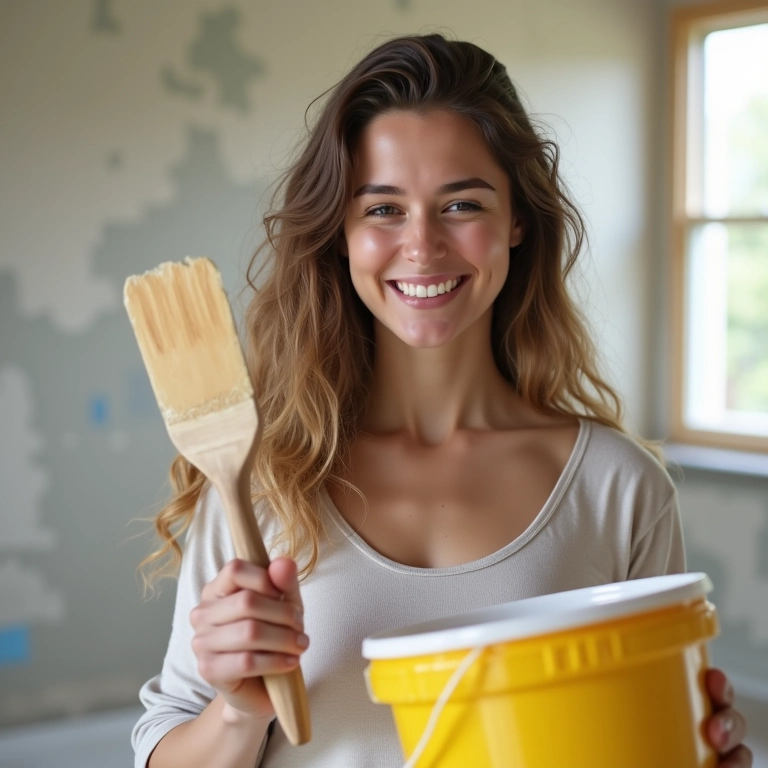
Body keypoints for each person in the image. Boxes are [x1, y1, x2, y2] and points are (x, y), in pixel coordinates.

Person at [132, 33, 752, 768]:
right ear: (341, 232)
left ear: (518, 220)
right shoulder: (259, 481)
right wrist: (236, 713)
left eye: (461, 203)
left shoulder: (617, 488)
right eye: (384, 210)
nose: (422, 246)